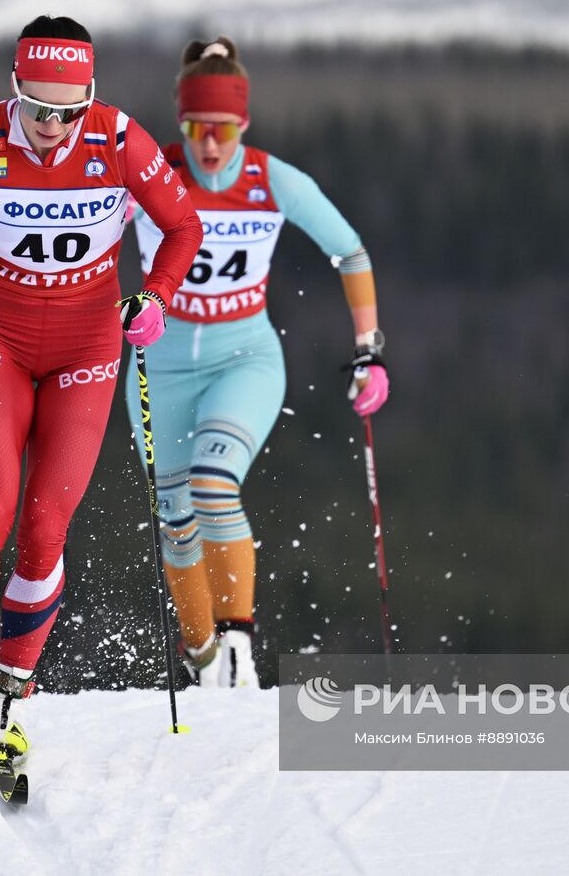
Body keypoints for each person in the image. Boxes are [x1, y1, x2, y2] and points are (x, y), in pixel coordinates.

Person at [0, 15, 201, 757]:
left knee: (43, 529)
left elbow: (184, 227)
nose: (50, 126)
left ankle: (9, 695)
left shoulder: (119, 138)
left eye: (68, 112)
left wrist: (156, 297)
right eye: (35, 108)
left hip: (86, 350)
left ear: (90, 97)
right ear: (14, 88)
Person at [128, 38, 389, 688]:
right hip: (159, 367)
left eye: (221, 130)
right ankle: (202, 658)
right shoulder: (152, 174)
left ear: (243, 124)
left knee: (213, 486)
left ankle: (238, 645)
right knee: (175, 520)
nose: (208, 145)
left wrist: (369, 349)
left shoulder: (273, 181)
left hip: (243, 359)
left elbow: (350, 252)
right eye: (195, 128)